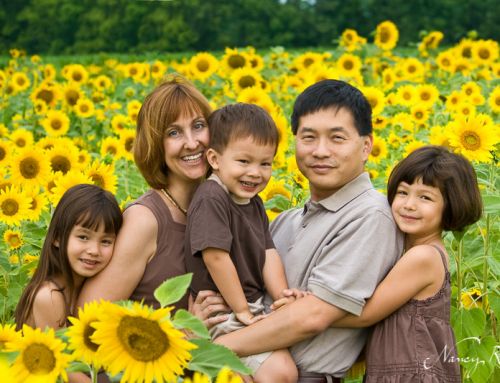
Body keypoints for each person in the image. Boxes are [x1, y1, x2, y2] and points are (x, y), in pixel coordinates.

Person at [214, 79, 404, 382]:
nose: (320, 151)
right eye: (308, 137)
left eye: (337, 138)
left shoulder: (371, 215)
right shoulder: (283, 221)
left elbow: (311, 317)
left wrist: (208, 350)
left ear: (366, 146)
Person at [76, 74, 230, 383]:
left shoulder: (219, 205)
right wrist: (183, 332)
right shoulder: (145, 221)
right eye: (174, 132)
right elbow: (86, 328)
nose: (192, 142)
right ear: (156, 146)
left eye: (199, 125)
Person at [331, 145, 482, 382]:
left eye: (425, 197)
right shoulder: (417, 254)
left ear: (450, 206)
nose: (409, 204)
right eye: (403, 192)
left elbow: (366, 315)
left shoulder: (422, 257)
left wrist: (310, 315)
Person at [185, 103, 298, 382]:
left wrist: (283, 297)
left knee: (281, 372)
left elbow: (267, 252)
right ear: (214, 159)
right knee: (272, 373)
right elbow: (216, 258)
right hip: (221, 314)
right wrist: (242, 311)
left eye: (265, 163)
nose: (255, 173)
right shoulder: (212, 197)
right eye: (244, 161)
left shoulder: (254, 202)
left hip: (248, 307)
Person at [14, 184, 123, 383]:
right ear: (57, 237)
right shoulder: (50, 296)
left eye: (106, 241)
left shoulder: (91, 286)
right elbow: (66, 369)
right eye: (83, 237)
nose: (94, 250)